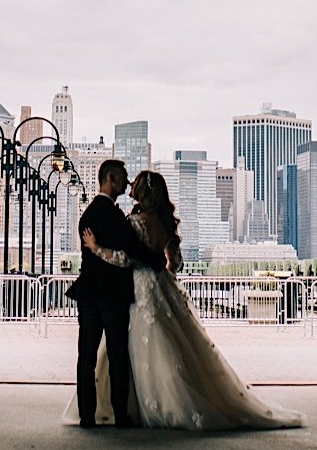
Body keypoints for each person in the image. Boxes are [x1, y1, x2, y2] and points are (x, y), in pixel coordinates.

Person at [72, 169, 304, 431]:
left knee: (128, 350)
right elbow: (176, 264)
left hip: (137, 288)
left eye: (134, 183)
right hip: (160, 287)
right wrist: (162, 274)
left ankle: (114, 411)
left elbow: (126, 259)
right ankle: (146, 407)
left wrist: (96, 249)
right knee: (166, 344)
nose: (129, 184)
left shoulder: (134, 221)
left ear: (143, 192)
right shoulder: (165, 222)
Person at [67, 158, 166, 429]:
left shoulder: (88, 214)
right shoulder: (113, 216)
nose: (126, 182)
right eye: (122, 177)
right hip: (113, 294)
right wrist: (157, 262)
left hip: (88, 294)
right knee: (117, 354)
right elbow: (132, 248)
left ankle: (86, 416)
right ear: (110, 179)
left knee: (85, 356)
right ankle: (120, 415)